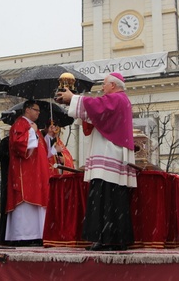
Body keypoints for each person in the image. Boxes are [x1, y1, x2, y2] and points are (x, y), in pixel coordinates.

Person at [57, 72, 137, 251]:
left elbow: (97, 106)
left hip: (110, 153)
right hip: (110, 152)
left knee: (106, 197)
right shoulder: (119, 100)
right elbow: (95, 114)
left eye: (104, 84)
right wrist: (71, 101)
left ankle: (109, 239)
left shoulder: (117, 99)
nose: (102, 87)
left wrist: (75, 98)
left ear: (114, 86)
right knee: (109, 197)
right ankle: (110, 239)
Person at [6, 100, 51, 246]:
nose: (38, 113)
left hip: (36, 172)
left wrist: (48, 137)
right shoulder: (21, 124)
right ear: (27, 110)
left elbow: (42, 149)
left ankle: (37, 234)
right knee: (27, 203)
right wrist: (32, 131)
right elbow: (20, 145)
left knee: (38, 203)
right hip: (26, 173)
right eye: (36, 110)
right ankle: (24, 235)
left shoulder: (34, 127)